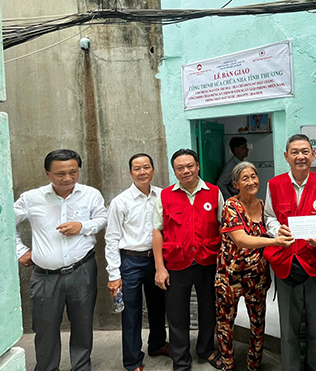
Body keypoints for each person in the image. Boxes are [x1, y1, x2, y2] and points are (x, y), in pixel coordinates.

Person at [14, 149, 107, 371]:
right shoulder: (31, 198)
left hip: (82, 269)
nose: (68, 178)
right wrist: (19, 250)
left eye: (73, 172)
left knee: (83, 324)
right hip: (45, 276)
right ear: (48, 174)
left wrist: (82, 226)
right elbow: (4, 223)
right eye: (60, 173)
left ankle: (81, 367)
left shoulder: (90, 194)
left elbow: (102, 218)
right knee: (45, 328)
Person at [263, 134, 316, 371]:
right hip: (285, 264)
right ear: (286, 156)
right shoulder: (274, 184)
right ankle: (291, 367)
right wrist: (277, 230)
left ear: (313, 155)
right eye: (295, 152)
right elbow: (269, 217)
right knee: (288, 326)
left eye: (305, 151)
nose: (300, 157)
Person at [216, 161, 294, 371]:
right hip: (229, 277)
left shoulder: (263, 205)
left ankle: (254, 364)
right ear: (235, 184)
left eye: (253, 176)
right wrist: (275, 242)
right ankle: (228, 364)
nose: (251, 182)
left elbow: (275, 227)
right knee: (225, 322)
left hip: (257, 276)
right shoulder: (231, 206)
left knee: (258, 323)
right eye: (245, 178)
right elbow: (241, 240)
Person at [152, 149, 224, 371]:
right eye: (180, 168)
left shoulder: (214, 192)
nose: (186, 171)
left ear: (198, 166)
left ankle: (206, 349)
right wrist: (160, 268)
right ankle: (181, 359)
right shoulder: (165, 196)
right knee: (177, 315)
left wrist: (223, 264)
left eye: (190, 166)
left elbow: (222, 226)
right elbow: (157, 232)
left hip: (207, 262)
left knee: (208, 309)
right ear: (174, 171)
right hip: (176, 264)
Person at [105, 153, 169, 371]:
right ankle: (132, 361)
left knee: (158, 305)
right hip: (130, 261)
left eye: (146, 167)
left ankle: (157, 344)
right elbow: (111, 238)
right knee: (131, 312)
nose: (143, 172)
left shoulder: (162, 195)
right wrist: (114, 274)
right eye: (137, 168)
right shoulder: (120, 202)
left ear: (153, 169)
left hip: (156, 259)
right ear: (130, 172)